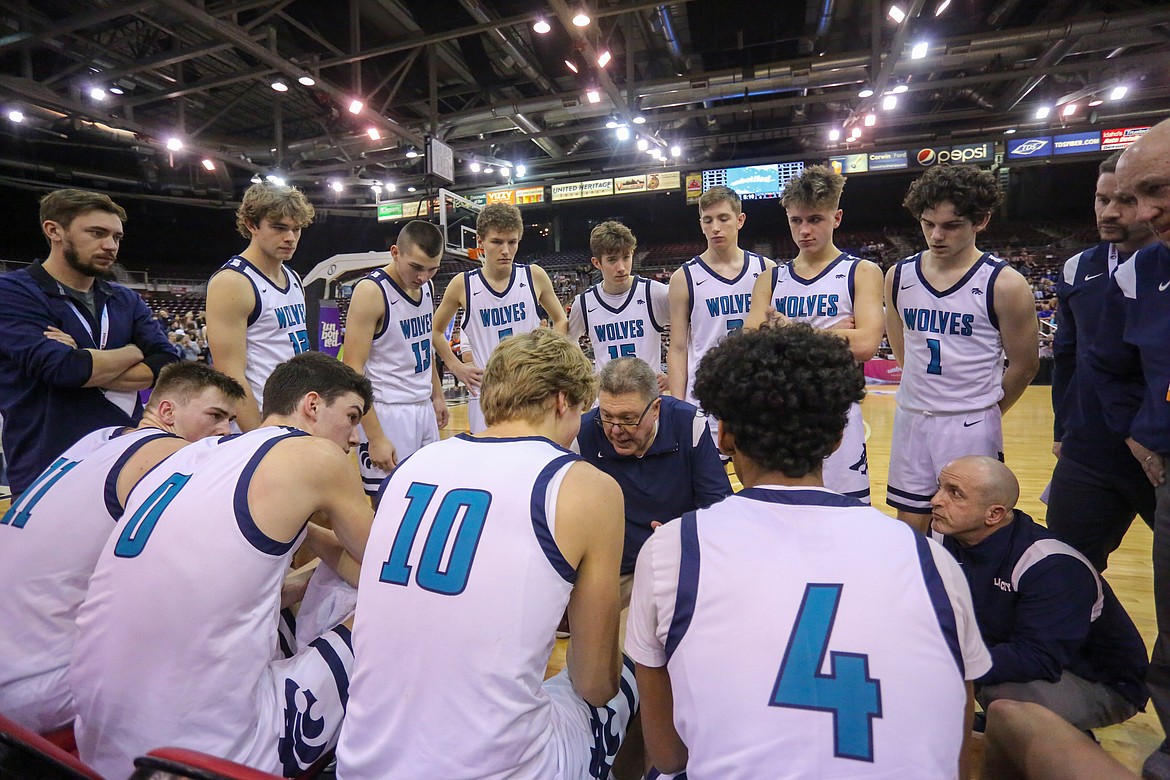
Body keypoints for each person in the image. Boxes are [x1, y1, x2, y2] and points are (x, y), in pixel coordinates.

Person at [626, 324, 990, 779]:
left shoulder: (673, 550)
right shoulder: (932, 561)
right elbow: (955, 750)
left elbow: (670, 754)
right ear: (837, 439)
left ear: (724, 437)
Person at [337, 329, 637, 779]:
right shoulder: (583, 485)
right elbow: (595, 684)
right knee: (635, 655)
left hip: (363, 761)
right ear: (561, 402)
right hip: (498, 768)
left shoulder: (412, 467)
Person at [69, 352, 375, 779]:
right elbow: (388, 569)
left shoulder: (188, 456)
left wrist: (311, 542)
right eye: (351, 415)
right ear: (311, 405)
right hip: (205, 752)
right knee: (383, 609)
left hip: (98, 735)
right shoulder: (316, 456)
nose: (356, 436)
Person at [0, 362, 244, 732]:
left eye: (230, 420)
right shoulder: (169, 453)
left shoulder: (99, 438)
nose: (225, 431)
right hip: (39, 686)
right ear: (167, 411)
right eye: (215, 415)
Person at [930, 456, 1147, 732]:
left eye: (955, 494)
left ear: (994, 514)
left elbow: (1037, 659)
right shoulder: (944, 534)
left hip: (1097, 680)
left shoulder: (1051, 565)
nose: (936, 500)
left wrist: (945, 660)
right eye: (940, 487)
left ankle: (1067, 746)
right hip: (1013, 650)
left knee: (1001, 697)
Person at [884, 164, 1039, 531]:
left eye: (951, 225)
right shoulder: (899, 275)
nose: (936, 235)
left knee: (968, 531)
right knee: (910, 525)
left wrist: (985, 411)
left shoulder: (1005, 284)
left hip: (969, 422)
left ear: (980, 221)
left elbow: (1025, 366)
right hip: (912, 416)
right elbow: (901, 345)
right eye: (927, 223)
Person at [0, 189, 180, 499]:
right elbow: (62, 368)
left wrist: (84, 361)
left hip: (125, 458)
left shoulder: (126, 299)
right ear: (54, 230)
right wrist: (134, 352)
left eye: (117, 237)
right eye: (97, 233)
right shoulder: (14, 292)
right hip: (48, 470)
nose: (110, 246)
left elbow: (168, 364)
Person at [1091, 117, 1170, 780]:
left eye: (1156, 191)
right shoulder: (1145, 270)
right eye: (1127, 195)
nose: (1142, 212)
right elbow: (1105, 361)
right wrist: (1139, 430)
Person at [745, 164, 884, 502]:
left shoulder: (862, 272)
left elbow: (865, 344)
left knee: (847, 525)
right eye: (796, 220)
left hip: (839, 415)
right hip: (781, 416)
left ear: (836, 218)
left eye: (815, 219)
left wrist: (788, 332)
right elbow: (750, 347)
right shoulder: (770, 279)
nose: (804, 230)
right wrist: (831, 336)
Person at [1048, 151, 1158, 571]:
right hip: (1088, 450)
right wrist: (1062, 429)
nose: (1109, 212)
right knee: (1064, 572)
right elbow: (1067, 357)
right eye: (1101, 199)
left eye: (1124, 201)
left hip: (1157, 453)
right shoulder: (1078, 268)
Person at [576, 357, 731, 604]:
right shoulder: (582, 434)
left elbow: (718, 509)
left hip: (679, 566)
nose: (615, 430)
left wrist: (685, 539)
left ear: (656, 408)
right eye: (606, 416)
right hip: (613, 573)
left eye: (629, 418)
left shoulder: (689, 424)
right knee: (589, 643)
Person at [431, 202, 568, 434]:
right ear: (480, 242)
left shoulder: (534, 276)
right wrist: (456, 366)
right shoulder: (462, 285)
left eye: (512, 242)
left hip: (531, 389)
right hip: (487, 393)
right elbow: (434, 331)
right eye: (497, 242)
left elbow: (561, 320)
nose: (505, 250)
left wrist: (548, 360)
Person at [341, 220, 449, 498]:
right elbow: (352, 370)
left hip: (422, 407)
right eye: (416, 267)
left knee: (429, 496)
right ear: (395, 252)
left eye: (432, 268)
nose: (423, 276)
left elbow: (424, 344)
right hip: (388, 411)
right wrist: (375, 436)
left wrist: (436, 394)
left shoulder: (426, 287)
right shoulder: (371, 292)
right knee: (388, 501)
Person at [206, 183, 316, 433]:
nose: (290, 237)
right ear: (251, 224)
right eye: (279, 228)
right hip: (259, 421)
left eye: (296, 229)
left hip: (297, 412)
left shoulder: (293, 277)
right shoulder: (232, 282)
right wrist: (258, 436)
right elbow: (230, 375)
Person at [667, 186, 774, 425]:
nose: (715, 227)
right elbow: (677, 348)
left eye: (723, 218)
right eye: (708, 220)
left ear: (740, 220)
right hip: (705, 399)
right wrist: (677, 405)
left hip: (756, 394)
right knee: (709, 464)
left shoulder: (766, 269)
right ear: (701, 223)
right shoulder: (683, 278)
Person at [568, 221, 670, 389]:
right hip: (606, 401)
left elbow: (691, 326)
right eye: (612, 260)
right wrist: (585, 374)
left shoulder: (654, 293)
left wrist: (673, 374)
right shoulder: (584, 303)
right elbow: (568, 342)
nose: (621, 267)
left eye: (626, 257)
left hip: (646, 399)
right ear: (597, 263)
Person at [981, 700, 1136, 780]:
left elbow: (1040, 658)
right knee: (1003, 712)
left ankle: (1079, 731)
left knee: (1005, 712)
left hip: (1120, 689)